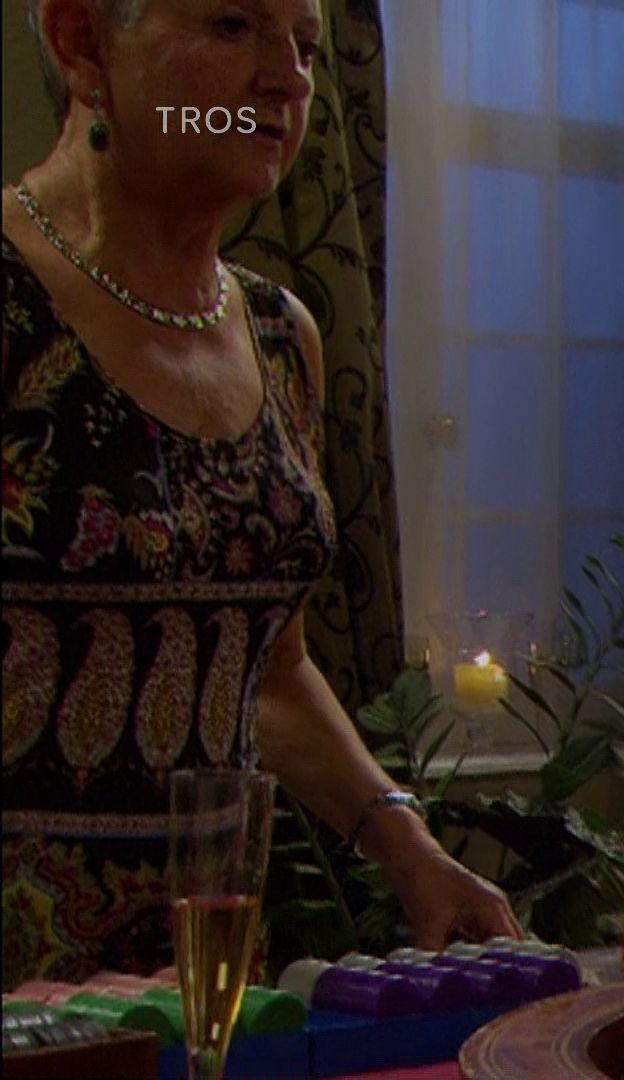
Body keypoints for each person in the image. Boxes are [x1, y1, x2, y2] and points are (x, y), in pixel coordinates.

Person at [2, 0, 518, 989]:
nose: (287, 79)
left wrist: (410, 849)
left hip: (200, 986)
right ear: (81, 42)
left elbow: (271, 670)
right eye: (233, 25)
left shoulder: (281, 338)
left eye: (306, 46)